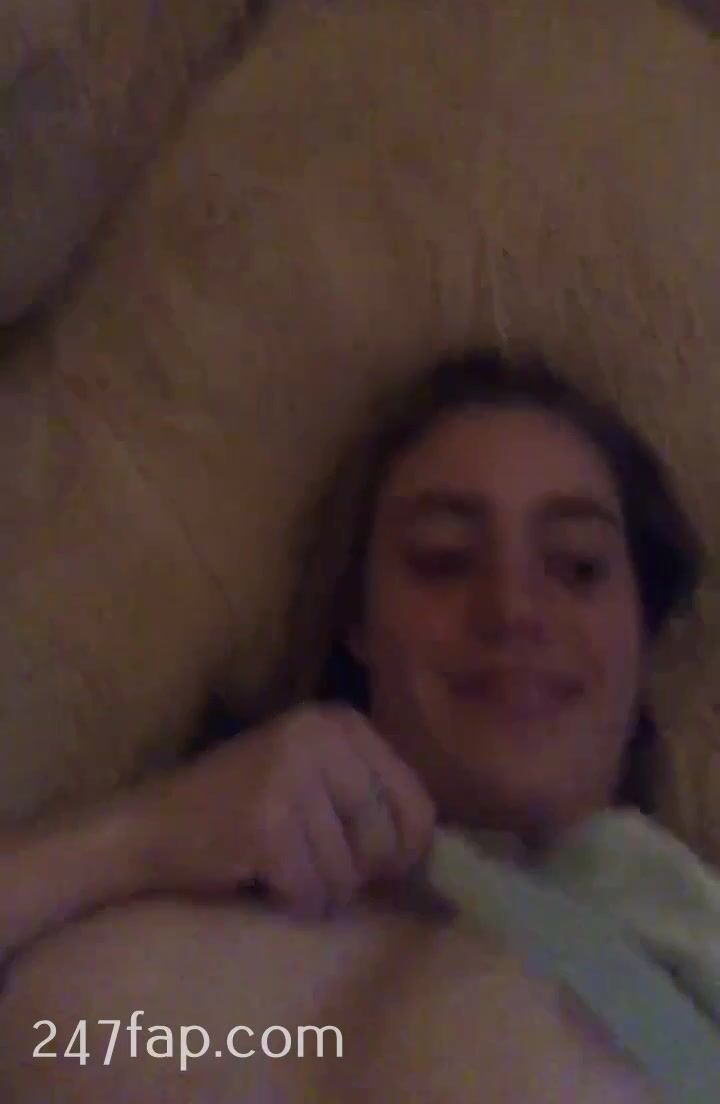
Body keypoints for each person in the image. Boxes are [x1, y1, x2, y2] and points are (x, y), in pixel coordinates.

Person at [0, 347, 715, 1102]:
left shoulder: (694, 951)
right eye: (443, 559)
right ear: (359, 622)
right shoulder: (157, 943)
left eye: (576, 566)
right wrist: (141, 838)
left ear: (642, 630)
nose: (513, 607)